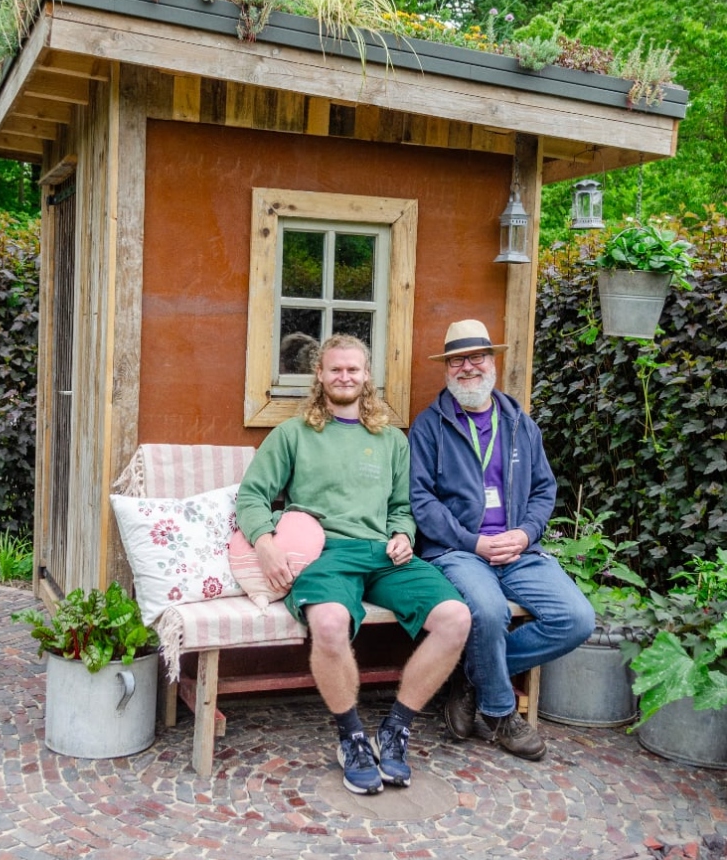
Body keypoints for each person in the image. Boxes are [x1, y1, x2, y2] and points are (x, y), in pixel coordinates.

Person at [236, 333, 471, 796]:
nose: (344, 377)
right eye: (335, 369)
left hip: (382, 555)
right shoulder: (293, 434)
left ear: (367, 377)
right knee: (328, 625)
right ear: (319, 375)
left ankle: (396, 728)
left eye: (353, 369)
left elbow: (402, 507)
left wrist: (402, 535)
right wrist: (265, 543)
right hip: (324, 554)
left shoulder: (391, 439)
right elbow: (251, 496)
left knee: (456, 618)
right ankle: (352, 738)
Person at [409, 319, 595, 761]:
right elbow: (421, 500)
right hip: (459, 551)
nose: (467, 367)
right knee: (489, 612)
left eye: (476, 357)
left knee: (577, 619)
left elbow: (544, 490)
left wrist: (525, 533)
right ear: (446, 369)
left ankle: (471, 675)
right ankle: (501, 713)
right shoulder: (429, 427)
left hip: (518, 550)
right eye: (457, 360)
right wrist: (472, 542)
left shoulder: (519, 424)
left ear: (492, 362)